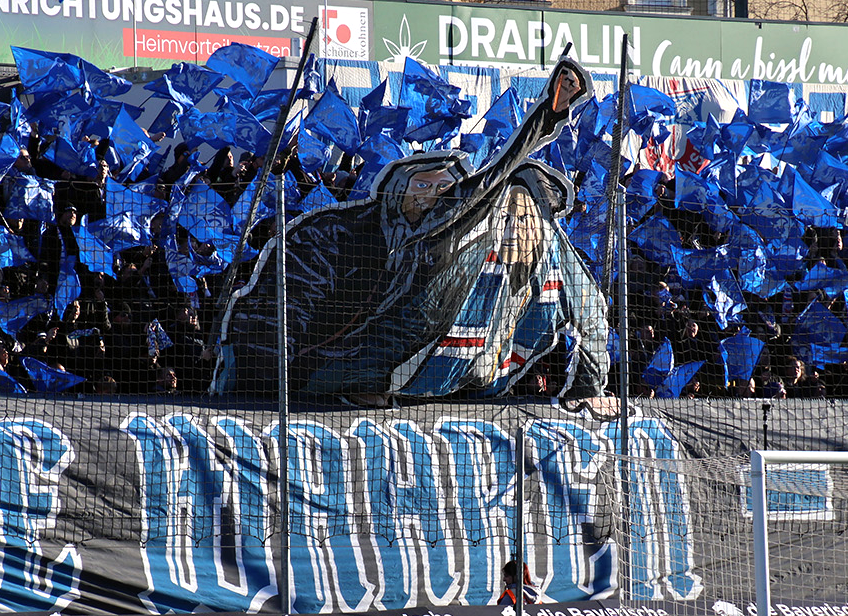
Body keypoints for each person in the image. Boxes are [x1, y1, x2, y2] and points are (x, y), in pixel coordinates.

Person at [216, 59, 609, 402]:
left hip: (410, 349)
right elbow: (271, 313)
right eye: (422, 185)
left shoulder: (454, 222)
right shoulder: (337, 232)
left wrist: (551, 114)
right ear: (396, 189)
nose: (432, 195)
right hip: (353, 352)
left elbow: (501, 167)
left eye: (442, 188)